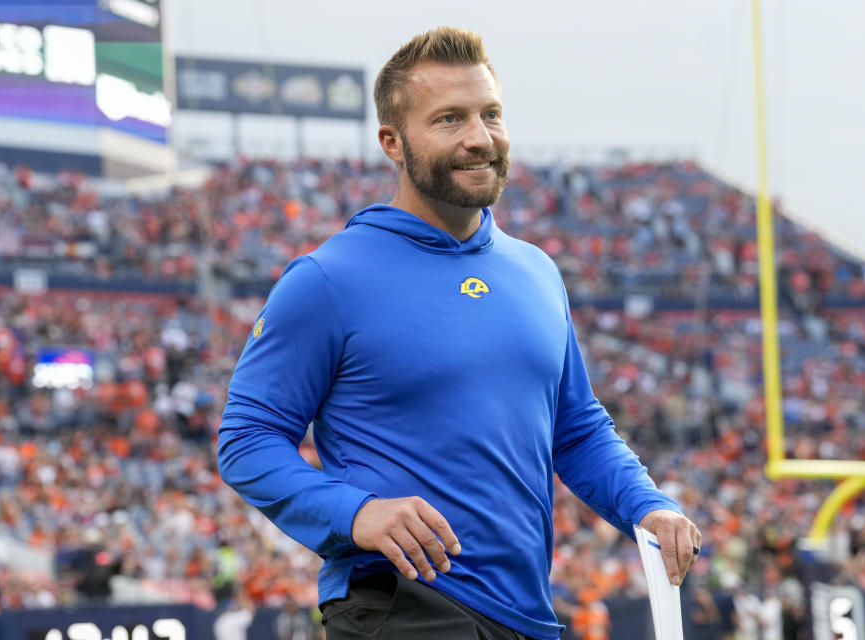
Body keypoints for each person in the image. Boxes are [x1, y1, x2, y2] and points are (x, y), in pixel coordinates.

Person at [218, 26, 701, 640]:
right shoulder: (327, 279)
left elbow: (576, 428)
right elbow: (246, 439)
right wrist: (356, 512)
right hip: (402, 608)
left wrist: (647, 505)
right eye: (449, 119)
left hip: (528, 616)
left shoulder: (536, 271)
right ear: (392, 142)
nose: (480, 138)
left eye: (490, 114)